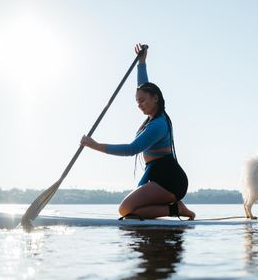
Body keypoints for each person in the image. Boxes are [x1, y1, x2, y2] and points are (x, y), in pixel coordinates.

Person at [81, 43, 195, 220]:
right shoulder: (152, 118)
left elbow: (131, 149)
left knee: (125, 210)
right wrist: (141, 62)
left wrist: (94, 145)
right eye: (137, 102)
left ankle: (177, 209)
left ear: (155, 98)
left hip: (170, 179)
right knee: (129, 213)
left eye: (142, 101)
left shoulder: (158, 125)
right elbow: (143, 85)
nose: (140, 105)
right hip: (155, 174)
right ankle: (172, 207)